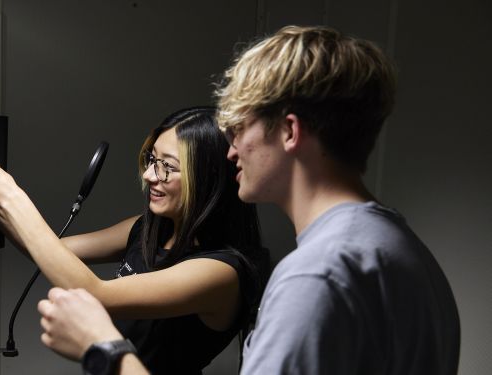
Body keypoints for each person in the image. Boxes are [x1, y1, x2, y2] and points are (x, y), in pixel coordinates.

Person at [37, 25, 461, 375]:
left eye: (240, 127)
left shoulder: (316, 275)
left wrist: (103, 350)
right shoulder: (399, 247)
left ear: (290, 133)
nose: (230, 150)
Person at [0, 106, 269, 374]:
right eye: (151, 160)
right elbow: (51, 252)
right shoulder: (148, 228)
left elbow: (97, 293)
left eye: (167, 166)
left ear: (208, 181)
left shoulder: (222, 272)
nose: (151, 175)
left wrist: (9, 194)